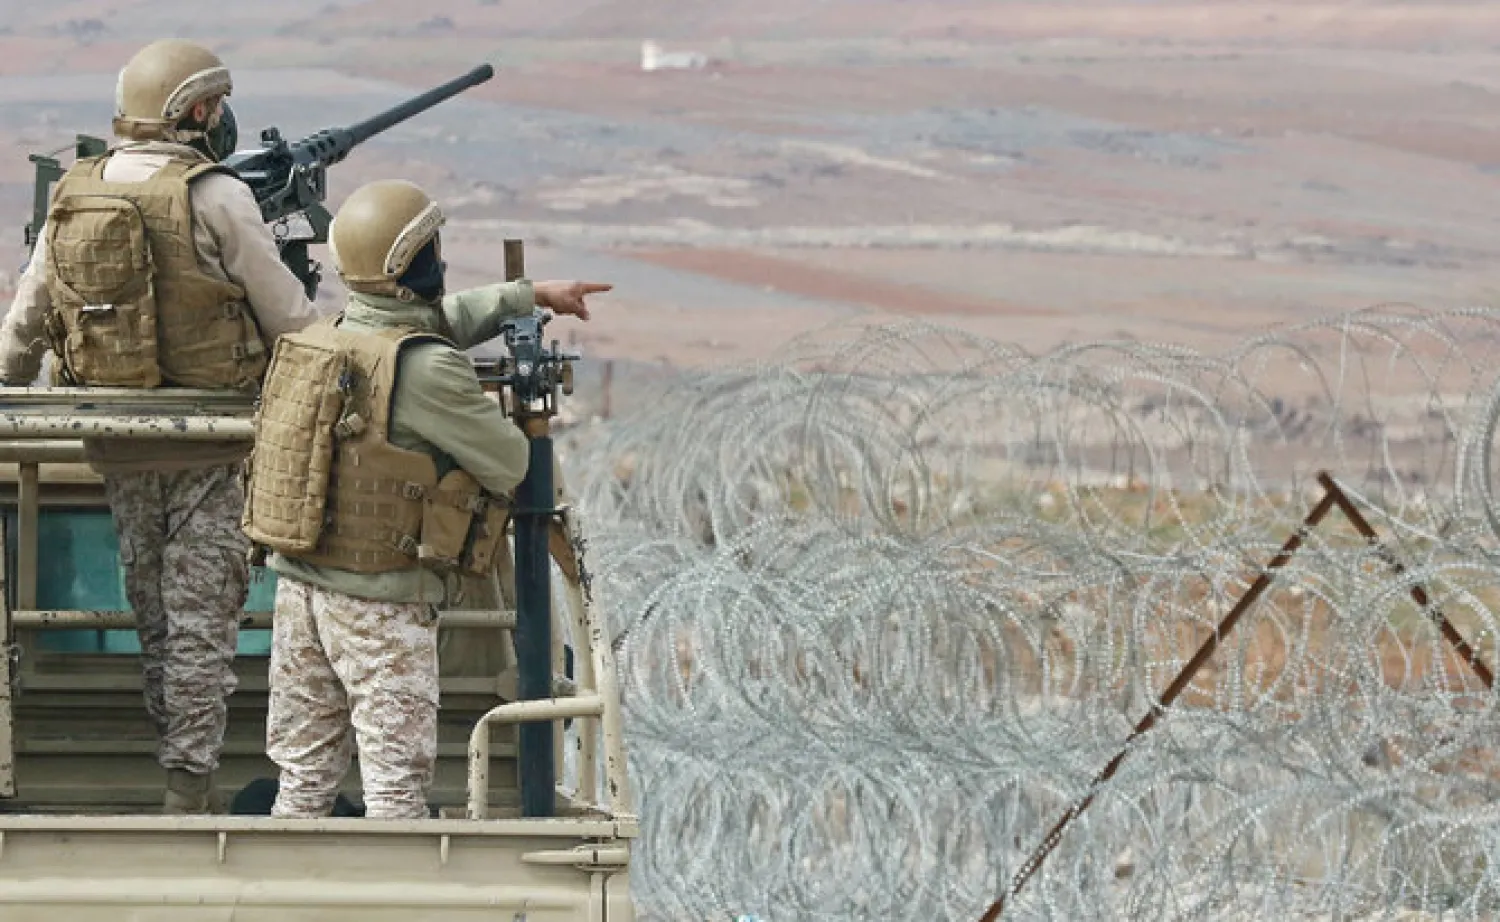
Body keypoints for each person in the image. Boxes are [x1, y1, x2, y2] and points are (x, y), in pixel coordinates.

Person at [0, 38, 324, 813]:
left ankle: (180, 773)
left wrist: (11, 393)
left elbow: (27, 320)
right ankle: (188, 793)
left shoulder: (74, 194)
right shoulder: (215, 195)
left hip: (119, 439)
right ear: (200, 112)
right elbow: (291, 322)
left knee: (156, 618)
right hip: (210, 446)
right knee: (200, 628)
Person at [245, 178, 610, 818]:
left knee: (302, 784)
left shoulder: (328, 336)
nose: (439, 265)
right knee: (395, 793)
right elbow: (513, 465)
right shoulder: (428, 370)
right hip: (379, 606)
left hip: (301, 594)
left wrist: (527, 295)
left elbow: (425, 325)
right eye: (429, 254)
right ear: (407, 267)